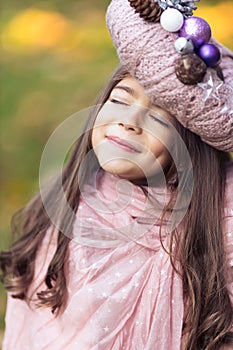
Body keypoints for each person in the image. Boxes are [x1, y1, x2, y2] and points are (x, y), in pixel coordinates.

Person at [1, 0, 233, 349]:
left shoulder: (221, 229)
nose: (128, 122)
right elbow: (33, 327)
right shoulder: (72, 206)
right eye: (120, 100)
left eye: (158, 119)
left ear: (190, 148)